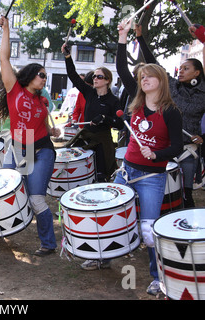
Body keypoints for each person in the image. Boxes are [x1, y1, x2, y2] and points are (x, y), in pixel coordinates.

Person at [112, 62, 183, 295]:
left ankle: (157, 277)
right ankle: (101, 257)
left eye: (150, 77)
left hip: (152, 176)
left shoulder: (171, 111)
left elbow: (177, 147)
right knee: (111, 216)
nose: (144, 80)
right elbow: (122, 70)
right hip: (127, 170)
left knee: (149, 231)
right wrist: (123, 37)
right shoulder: (137, 103)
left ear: (161, 81)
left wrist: (155, 154)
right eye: (142, 77)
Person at [0, 15, 60, 256]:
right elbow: (4, 57)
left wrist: (52, 130)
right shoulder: (13, 89)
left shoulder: (43, 100)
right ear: (31, 75)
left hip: (41, 151)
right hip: (16, 150)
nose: (44, 79)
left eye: (46, 76)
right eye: (41, 75)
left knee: (36, 200)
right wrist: (7, 29)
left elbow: (41, 122)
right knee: (6, 192)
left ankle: (48, 244)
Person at [135, 23, 205, 207]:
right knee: (164, 192)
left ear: (197, 73)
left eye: (186, 68)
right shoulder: (172, 86)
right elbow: (154, 64)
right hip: (165, 148)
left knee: (187, 195)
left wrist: (203, 137)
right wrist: (140, 38)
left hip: (189, 151)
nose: (180, 71)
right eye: (180, 68)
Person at [62, 43, 124, 182]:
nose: (95, 78)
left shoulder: (114, 101)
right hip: (85, 137)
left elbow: (119, 124)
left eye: (99, 77)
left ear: (107, 80)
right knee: (79, 170)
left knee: (101, 175)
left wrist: (104, 118)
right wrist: (67, 57)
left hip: (103, 141)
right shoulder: (89, 93)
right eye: (95, 76)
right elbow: (73, 76)